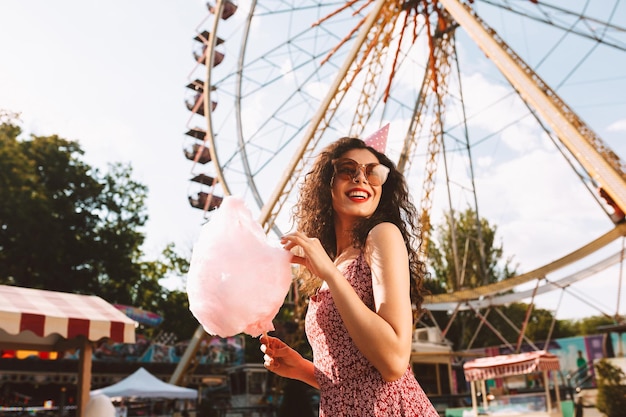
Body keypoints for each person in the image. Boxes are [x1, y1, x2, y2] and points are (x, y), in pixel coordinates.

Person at [260, 129, 439, 416]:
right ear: (325, 185)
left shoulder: (382, 236)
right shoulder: (337, 262)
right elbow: (356, 378)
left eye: (373, 172)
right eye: (347, 170)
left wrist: (331, 275)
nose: (361, 178)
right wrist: (304, 369)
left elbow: (393, 362)